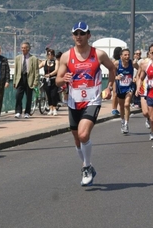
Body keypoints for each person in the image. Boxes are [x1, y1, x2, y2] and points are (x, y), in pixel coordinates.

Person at [56, 21, 116, 186]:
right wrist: (63, 79)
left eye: (82, 33)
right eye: (76, 33)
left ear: (88, 35)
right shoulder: (67, 56)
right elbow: (57, 81)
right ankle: (87, 166)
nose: (79, 36)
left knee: (83, 135)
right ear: (72, 36)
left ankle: (87, 167)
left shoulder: (99, 54)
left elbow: (112, 68)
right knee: (77, 139)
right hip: (74, 102)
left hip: (92, 100)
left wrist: (109, 87)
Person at [13, 41, 40, 119]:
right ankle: (18, 111)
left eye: (24, 48)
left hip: (29, 79)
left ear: (28, 49)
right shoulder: (18, 58)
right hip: (20, 79)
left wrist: (35, 82)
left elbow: (36, 71)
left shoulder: (34, 59)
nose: (23, 49)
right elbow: (16, 71)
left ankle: (27, 112)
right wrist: (15, 81)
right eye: (22, 48)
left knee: (29, 97)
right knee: (18, 96)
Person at [114, 48, 134, 134]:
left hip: (129, 87)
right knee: (121, 107)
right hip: (120, 88)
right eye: (125, 55)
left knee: (126, 104)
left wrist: (137, 76)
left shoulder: (132, 63)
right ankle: (122, 121)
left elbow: (140, 69)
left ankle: (126, 124)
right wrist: (116, 77)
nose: (127, 56)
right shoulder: (117, 63)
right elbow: (111, 74)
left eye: (128, 55)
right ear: (121, 56)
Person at [39, 48, 60, 115]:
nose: (49, 56)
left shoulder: (56, 61)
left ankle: (54, 108)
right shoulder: (44, 62)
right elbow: (37, 67)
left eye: (51, 55)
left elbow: (56, 70)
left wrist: (50, 74)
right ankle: (50, 108)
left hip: (54, 80)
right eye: (48, 54)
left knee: (53, 94)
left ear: (53, 55)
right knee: (48, 95)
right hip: (46, 81)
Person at [111, 47, 122, 116]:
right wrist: (115, 77)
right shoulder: (115, 62)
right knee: (115, 94)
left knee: (118, 95)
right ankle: (114, 109)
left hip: (121, 80)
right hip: (116, 79)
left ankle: (117, 108)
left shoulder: (121, 61)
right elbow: (112, 72)